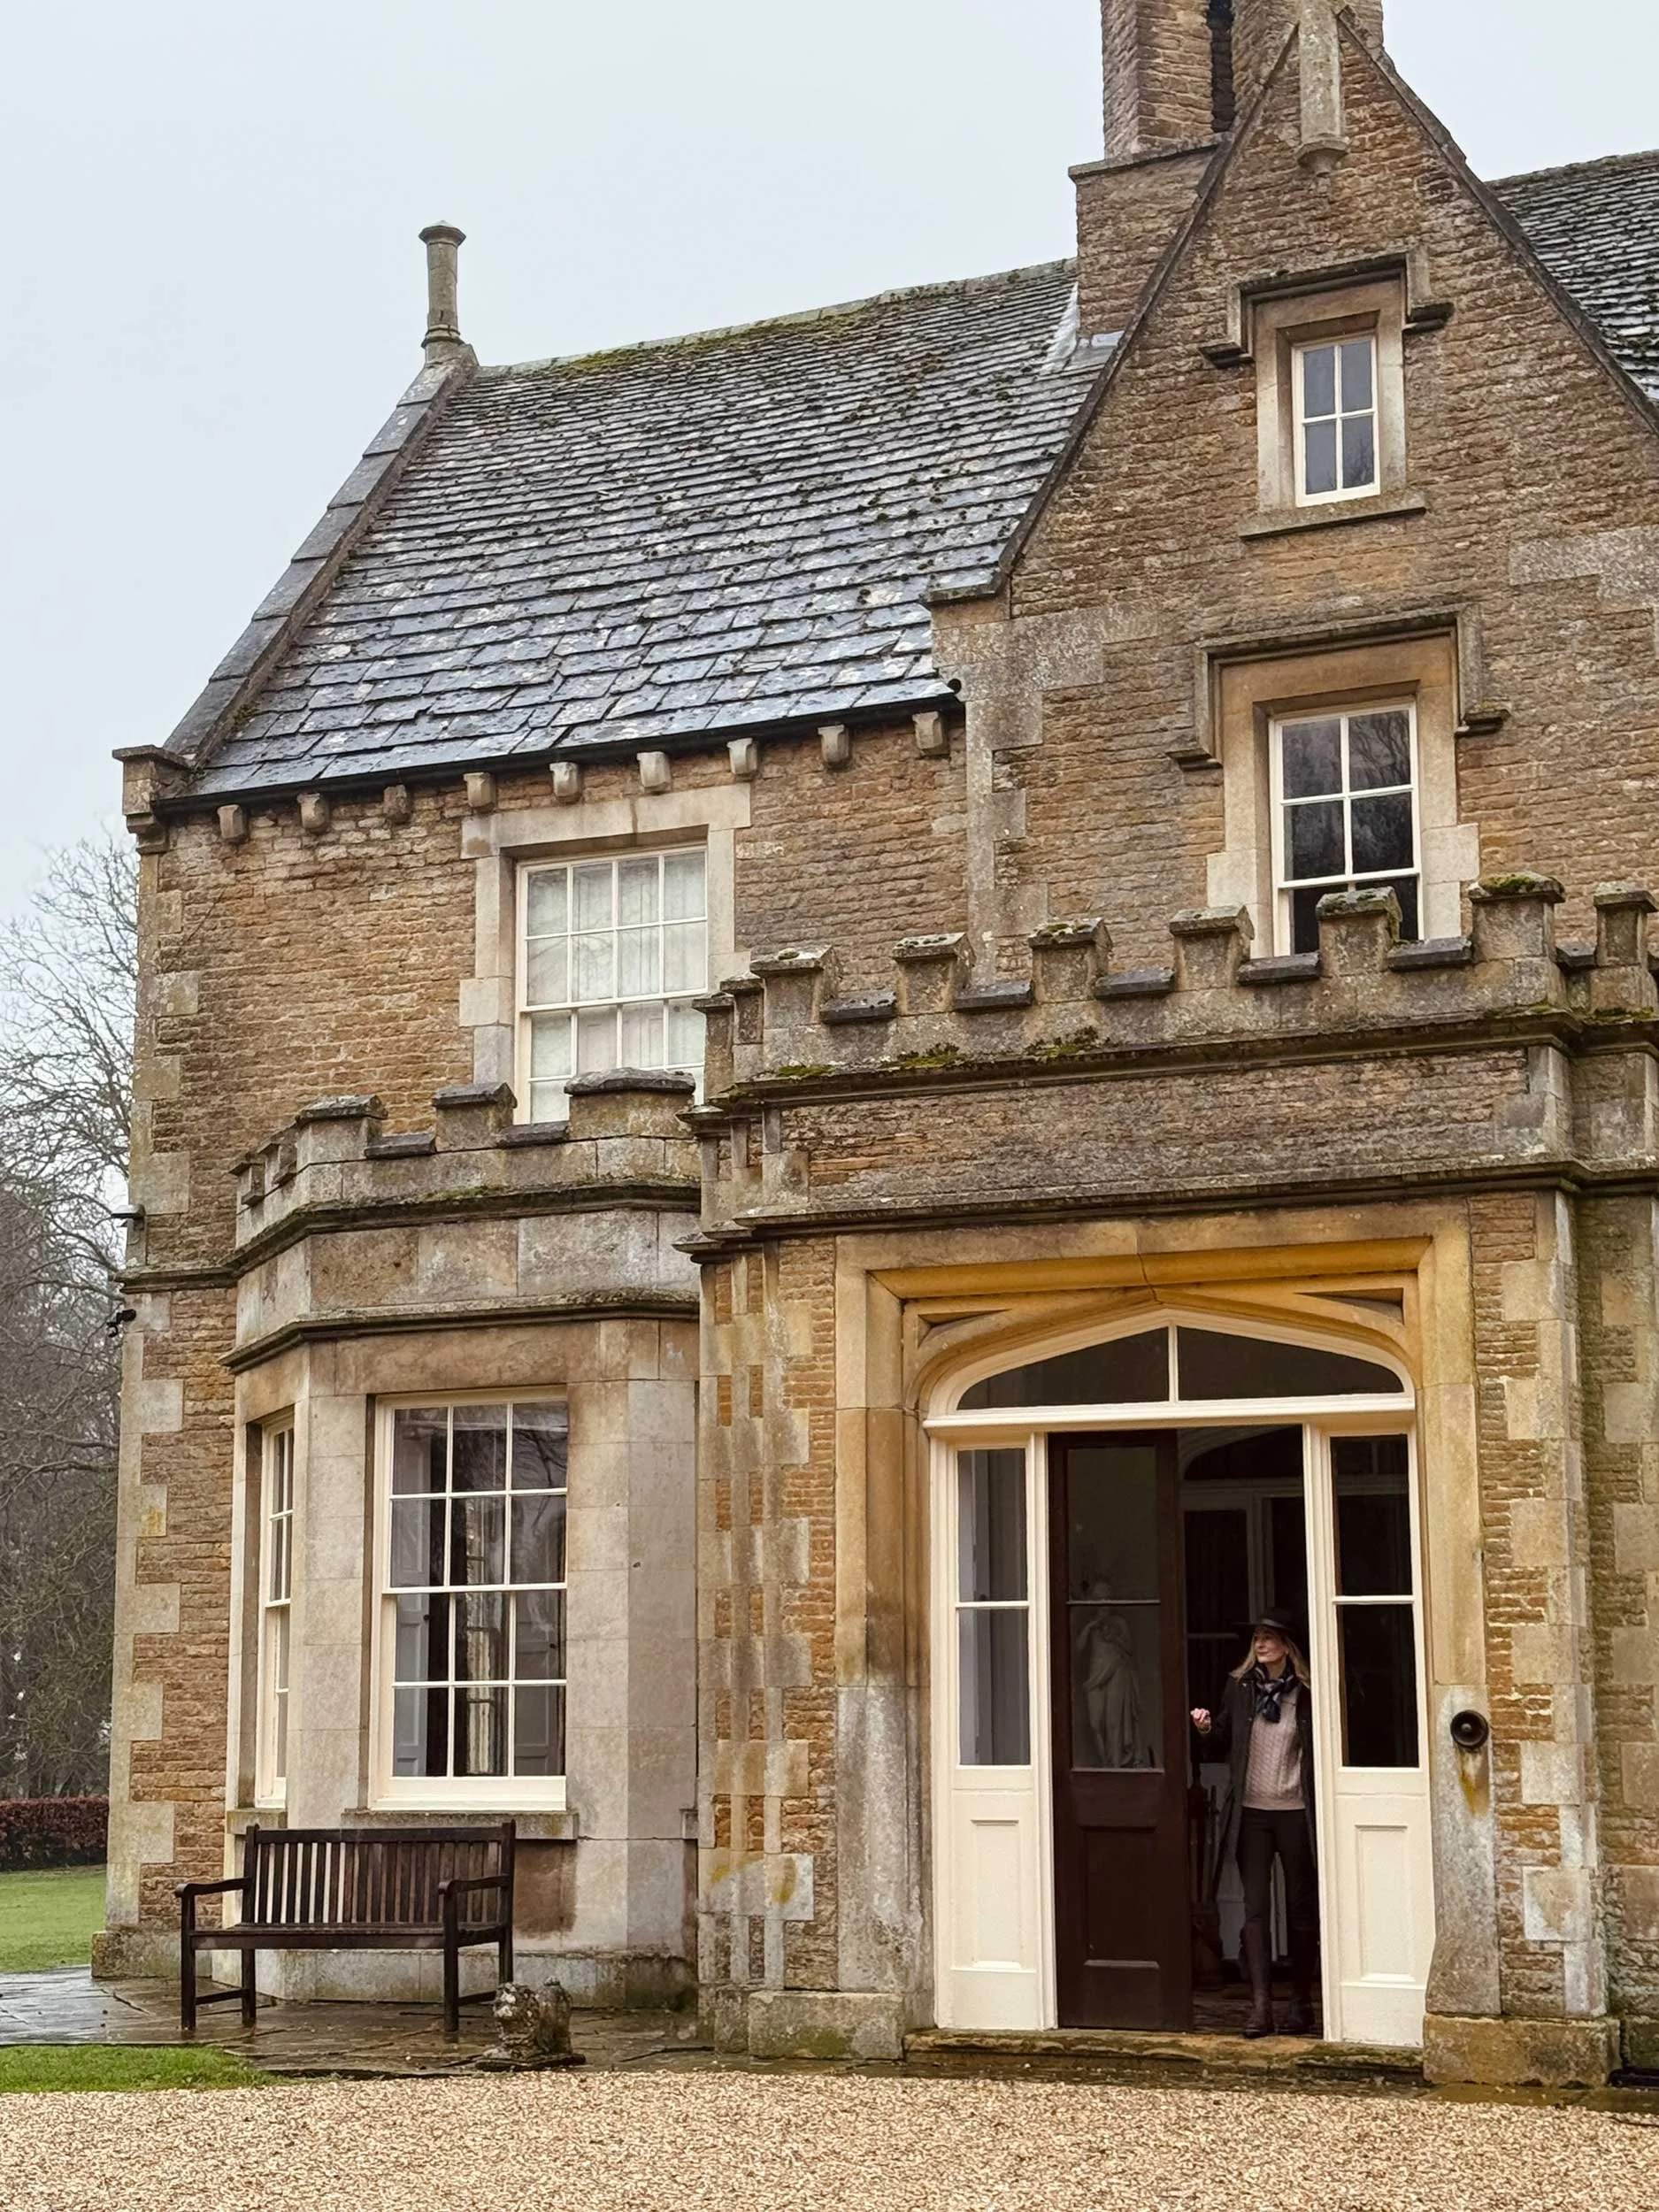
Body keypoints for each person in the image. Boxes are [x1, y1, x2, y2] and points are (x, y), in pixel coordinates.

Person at [1190, 1609, 1317, 2038]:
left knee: (1301, 1911)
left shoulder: (1306, 1691)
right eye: (1257, 1638)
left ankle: (1301, 2004)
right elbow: (1226, 1738)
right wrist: (1206, 1729)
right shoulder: (1240, 1688)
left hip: (1295, 1811)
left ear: (1286, 1646)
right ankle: (1260, 2007)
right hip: (1252, 1812)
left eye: (1268, 1637)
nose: (1260, 1644)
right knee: (1255, 1909)